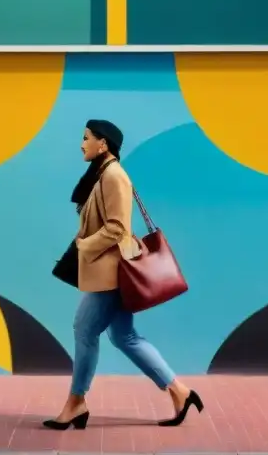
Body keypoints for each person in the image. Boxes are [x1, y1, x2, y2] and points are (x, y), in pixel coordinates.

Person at [43, 119, 203, 430]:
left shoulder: (113, 176)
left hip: (111, 272)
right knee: (123, 336)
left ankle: (76, 402)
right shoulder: (101, 174)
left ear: (102, 144)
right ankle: (180, 392)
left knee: (84, 330)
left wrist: (84, 245)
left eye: (86, 138)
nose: (82, 144)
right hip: (109, 270)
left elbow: (117, 228)